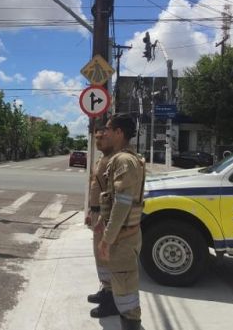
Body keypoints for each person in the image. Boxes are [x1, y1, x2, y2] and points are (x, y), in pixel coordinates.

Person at [95, 114, 145, 330]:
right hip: (120, 234)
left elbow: (123, 201)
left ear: (119, 133)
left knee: (126, 289)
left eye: (108, 129)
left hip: (123, 237)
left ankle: (132, 324)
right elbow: (113, 196)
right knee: (120, 283)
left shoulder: (124, 160)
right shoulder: (120, 158)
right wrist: (101, 223)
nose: (104, 133)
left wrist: (107, 239)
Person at [87, 120, 116, 318]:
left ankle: (111, 299)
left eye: (102, 138)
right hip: (97, 212)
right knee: (99, 256)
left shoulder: (113, 160)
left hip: (105, 215)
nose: (98, 141)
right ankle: (105, 290)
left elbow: (113, 193)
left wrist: (102, 217)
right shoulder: (101, 158)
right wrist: (91, 210)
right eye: (96, 138)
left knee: (106, 256)